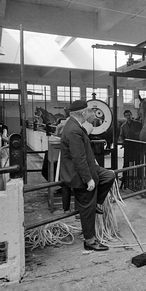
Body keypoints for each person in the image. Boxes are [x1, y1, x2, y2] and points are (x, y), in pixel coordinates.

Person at [60, 100, 115, 251]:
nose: (91, 113)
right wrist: (88, 179)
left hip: (90, 168)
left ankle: (97, 203)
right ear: (83, 113)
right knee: (87, 208)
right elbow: (78, 159)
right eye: (89, 111)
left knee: (109, 176)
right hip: (79, 175)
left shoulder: (75, 126)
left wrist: (94, 166)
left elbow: (83, 154)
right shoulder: (73, 130)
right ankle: (90, 241)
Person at [118, 110, 142, 188]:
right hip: (128, 146)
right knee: (126, 163)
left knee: (138, 163)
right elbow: (121, 136)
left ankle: (139, 178)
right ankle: (124, 177)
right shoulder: (123, 126)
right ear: (124, 116)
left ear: (131, 115)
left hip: (136, 146)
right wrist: (122, 143)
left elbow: (141, 133)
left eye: (129, 115)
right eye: (126, 115)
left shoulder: (138, 124)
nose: (128, 117)